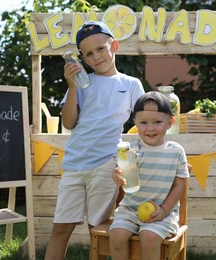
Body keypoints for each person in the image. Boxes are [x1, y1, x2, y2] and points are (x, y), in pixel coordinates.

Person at [44, 21, 145, 260]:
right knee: (60, 228)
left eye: (101, 48)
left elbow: (144, 121)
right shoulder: (80, 83)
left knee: (97, 230)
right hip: (74, 165)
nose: (96, 56)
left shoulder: (130, 84)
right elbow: (68, 123)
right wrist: (71, 86)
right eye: (88, 53)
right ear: (82, 59)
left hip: (106, 165)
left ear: (115, 46)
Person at [109, 91, 190, 260]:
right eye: (144, 122)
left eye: (158, 122)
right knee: (116, 235)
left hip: (162, 213)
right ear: (135, 123)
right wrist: (116, 175)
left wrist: (164, 210)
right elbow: (121, 172)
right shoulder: (131, 150)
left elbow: (179, 185)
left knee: (149, 237)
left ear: (170, 122)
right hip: (130, 209)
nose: (150, 128)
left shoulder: (175, 151)